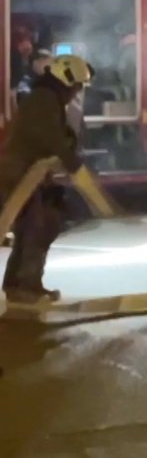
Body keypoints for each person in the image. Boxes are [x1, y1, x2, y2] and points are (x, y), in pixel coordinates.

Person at [0, 54, 92, 305]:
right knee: (38, 227)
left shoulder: (46, 98)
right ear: (66, 80)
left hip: (25, 173)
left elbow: (55, 135)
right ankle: (24, 285)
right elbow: (50, 137)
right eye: (76, 86)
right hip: (20, 174)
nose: (77, 92)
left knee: (32, 228)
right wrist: (72, 162)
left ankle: (20, 283)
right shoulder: (44, 99)